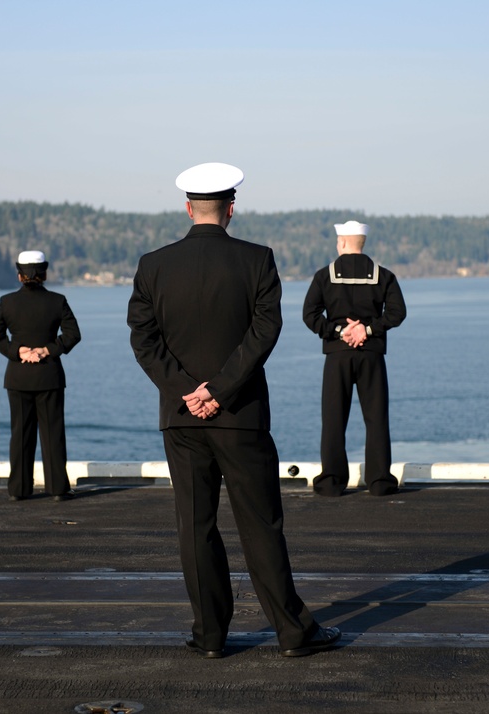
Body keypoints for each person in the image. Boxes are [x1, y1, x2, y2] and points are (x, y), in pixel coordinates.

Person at [127, 162, 340, 658]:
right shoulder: (258, 260)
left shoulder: (152, 265)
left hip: (182, 419)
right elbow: (264, 334)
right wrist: (219, 391)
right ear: (231, 208)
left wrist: (187, 390)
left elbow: (144, 340)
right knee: (260, 525)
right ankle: (292, 633)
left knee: (195, 526)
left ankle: (210, 637)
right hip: (240, 415)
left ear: (187, 208)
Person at [302, 220, 407, 497]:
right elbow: (397, 313)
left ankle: (332, 482)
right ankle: (380, 481)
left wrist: (339, 331)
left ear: (342, 242)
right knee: (376, 419)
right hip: (371, 355)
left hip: (337, 356)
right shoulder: (384, 276)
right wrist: (367, 329)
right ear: (362, 243)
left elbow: (309, 315)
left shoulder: (324, 276)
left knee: (334, 418)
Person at [0, 251, 81, 501]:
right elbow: (73, 335)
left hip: (18, 378)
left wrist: (17, 351)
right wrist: (48, 349)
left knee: (20, 434)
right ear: (44, 274)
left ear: (20, 275)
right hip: (49, 376)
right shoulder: (58, 301)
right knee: (53, 434)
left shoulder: (6, 302)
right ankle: (58, 489)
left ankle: (18, 490)